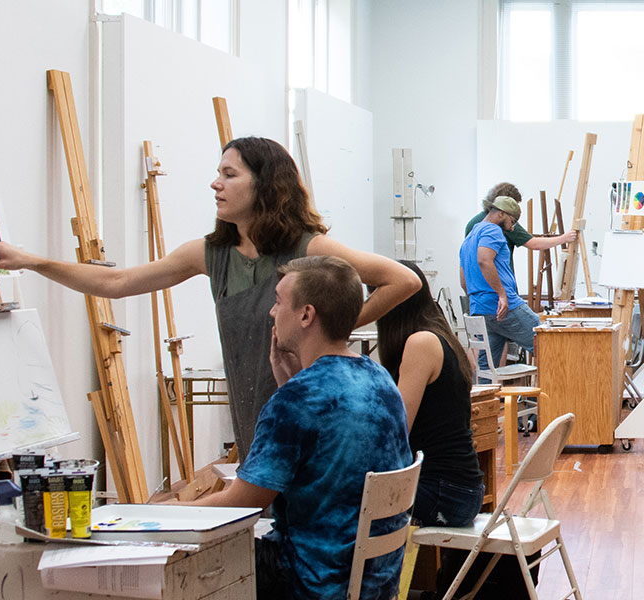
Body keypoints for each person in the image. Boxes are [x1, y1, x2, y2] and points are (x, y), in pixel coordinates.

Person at [0, 136, 421, 459]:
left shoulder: (309, 248)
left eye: (229, 174)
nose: (215, 184)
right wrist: (30, 260)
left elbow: (402, 280)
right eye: (217, 174)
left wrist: (335, 329)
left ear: (264, 185)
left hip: (306, 416)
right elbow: (117, 282)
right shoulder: (209, 254)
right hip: (253, 417)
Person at [191, 255, 412, 600]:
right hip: (376, 581)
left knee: (192, 563)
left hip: (312, 582)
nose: (271, 312)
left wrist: (163, 511)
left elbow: (244, 503)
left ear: (306, 315)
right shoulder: (379, 378)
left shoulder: (298, 400)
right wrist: (288, 383)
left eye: (278, 302)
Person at [376, 260, 483, 528]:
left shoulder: (420, 342)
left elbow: (398, 430)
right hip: (456, 489)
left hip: (445, 492)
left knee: (342, 501)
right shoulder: (440, 336)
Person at [459, 196, 541, 374]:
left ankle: (485, 401)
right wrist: (502, 295)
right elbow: (484, 259)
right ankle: (556, 399)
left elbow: (463, 281)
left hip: (481, 310)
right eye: (512, 222)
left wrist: (478, 299)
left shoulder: (469, 238)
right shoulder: (492, 230)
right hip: (504, 306)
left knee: (488, 369)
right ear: (501, 214)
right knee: (549, 344)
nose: (512, 228)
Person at [464, 182, 577, 273]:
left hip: (476, 288)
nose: (512, 227)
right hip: (497, 288)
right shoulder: (502, 223)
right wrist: (564, 238)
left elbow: (465, 261)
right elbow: (534, 243)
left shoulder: (473, 223)